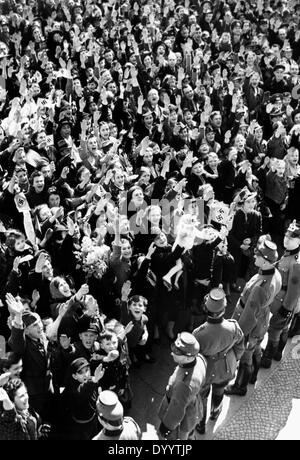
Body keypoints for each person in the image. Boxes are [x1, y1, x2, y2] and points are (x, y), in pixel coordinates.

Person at [225, 235, 282, 396]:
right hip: (263, 319)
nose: (254, 256)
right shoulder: (275, 273)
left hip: (253, 324)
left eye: (257, 255)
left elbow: (249, 317)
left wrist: (239, 335)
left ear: (264, 261)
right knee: (257, 349)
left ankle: (240, 386)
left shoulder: (260, 287)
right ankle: (253, 376)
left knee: (246, 354)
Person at [193, 287, 244, 434]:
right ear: (224, 308)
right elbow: (240, 346)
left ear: (206, 308)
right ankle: (215, 412)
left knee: (202, 396)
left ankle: (200, 424)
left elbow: (192, 356)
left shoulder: (198, 333)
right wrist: (235, 359)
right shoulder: (233, 326)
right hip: (226, 367)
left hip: (206, 370)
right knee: (219, 390)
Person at [261, 221, 300, 367]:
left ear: (299, 241)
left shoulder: (296, 262)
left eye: (291, 238)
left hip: (284, 302)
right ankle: (278, 353)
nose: (286, 239)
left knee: (275, 329)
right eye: (286, 236)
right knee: (283, 328)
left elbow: (294, 290)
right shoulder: (289, 253)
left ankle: (267, 358)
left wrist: (286, 309)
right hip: (280, 298)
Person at [158, 332, 207, 440]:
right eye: (174, 348)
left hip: (183, 417)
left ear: (189, 358)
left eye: (177, 352)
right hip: (193, 407)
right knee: (190, 433)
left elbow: (176, 412)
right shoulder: (199, 359)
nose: (172, 353)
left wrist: (165, 428)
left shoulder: (183, 385)